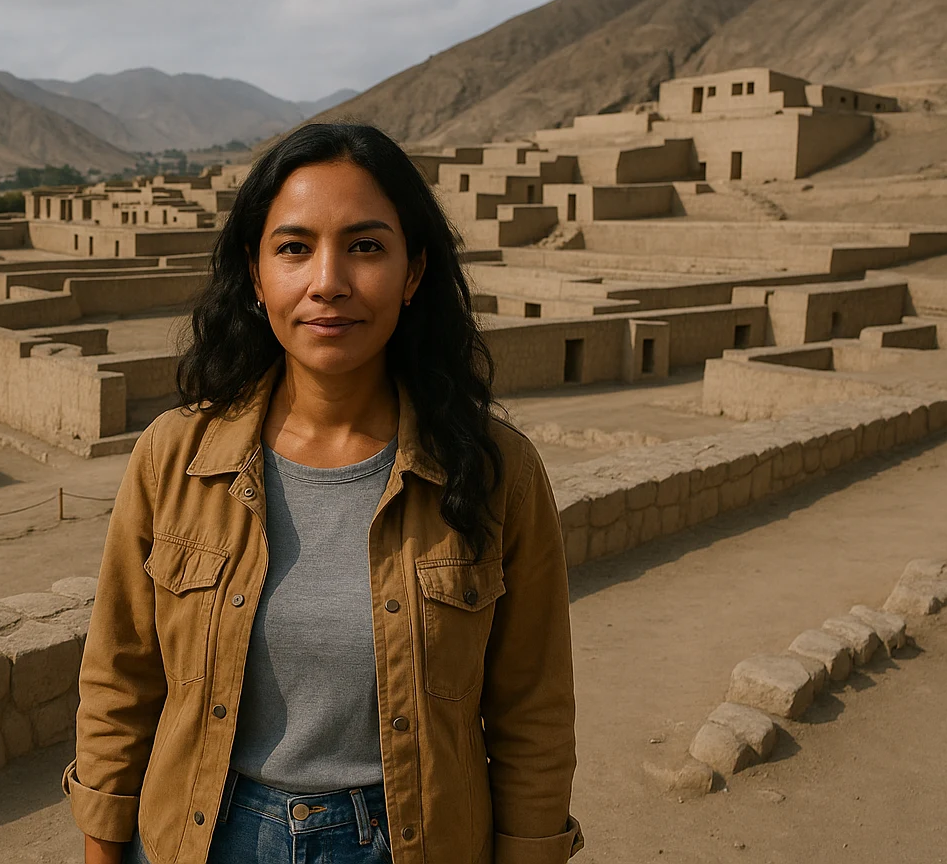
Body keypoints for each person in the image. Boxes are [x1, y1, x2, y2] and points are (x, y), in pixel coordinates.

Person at [61, 122, 583, 864]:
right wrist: (102, 849)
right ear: (255, 271)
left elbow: (533, 710)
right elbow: (120, 677)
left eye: (366, 246)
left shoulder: (497, 472)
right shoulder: (174, 458)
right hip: (203, 835)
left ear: (412, 273)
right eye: (295, 247)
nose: (328, 282)